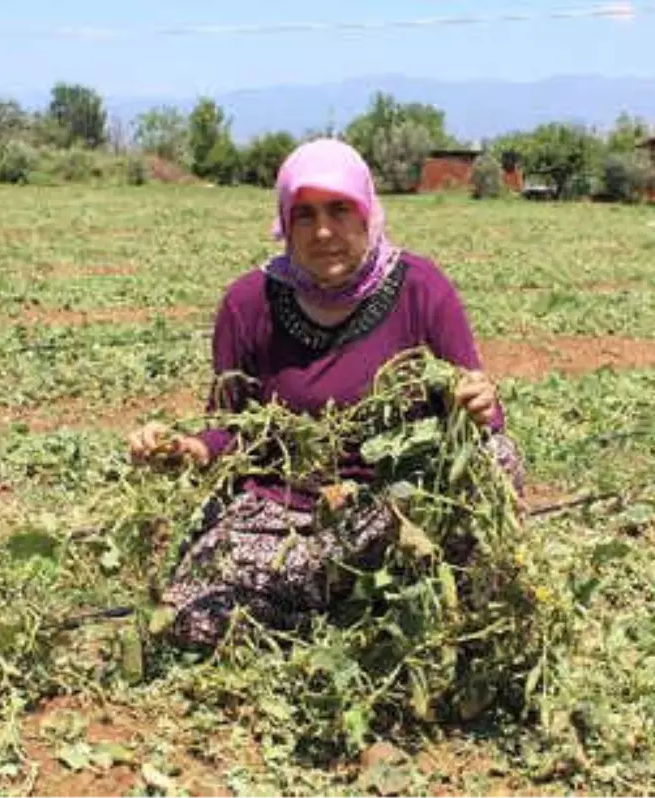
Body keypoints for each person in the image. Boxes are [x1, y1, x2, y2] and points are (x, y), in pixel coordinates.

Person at [128, 138, 525, 649]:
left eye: (340, 210)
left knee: (495, 458)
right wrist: (184, 448)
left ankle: (390, 604)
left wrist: (477, 404)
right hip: (283, 519)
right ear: (284, 224)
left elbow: (484, 418)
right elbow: (229, 431)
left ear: (367, 212)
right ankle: (355, 619)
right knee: (190, 616)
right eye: (304, 215)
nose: (323, 232)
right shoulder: (248, 303)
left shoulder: (420, 289)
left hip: (394, 511)